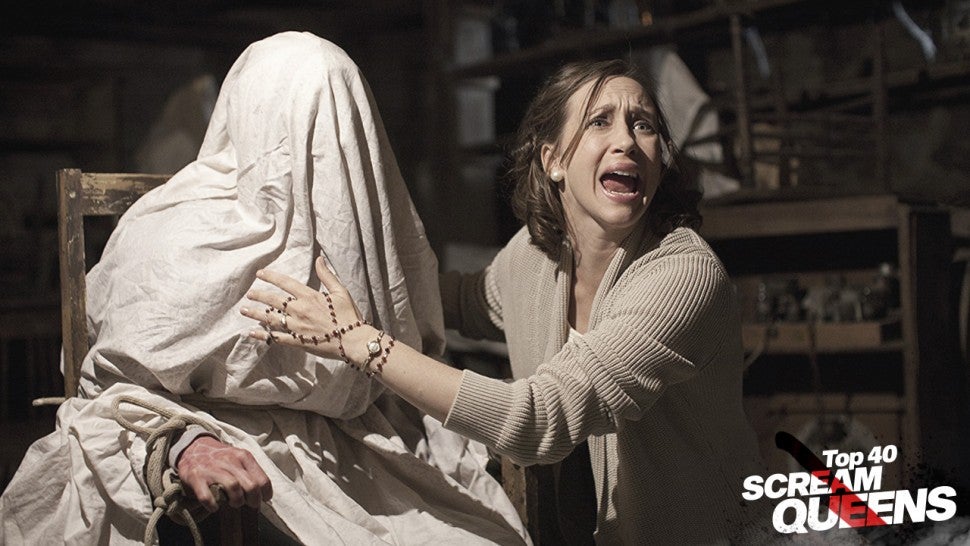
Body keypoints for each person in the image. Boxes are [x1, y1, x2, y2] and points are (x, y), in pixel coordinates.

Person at [0, 32, 528, 545]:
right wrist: (185, 441)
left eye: (338, 129)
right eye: (308, 127)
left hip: (362, 451)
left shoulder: (365, 234)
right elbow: (110, 381)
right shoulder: (169, 234)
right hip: (219, 444)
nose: (326, 153)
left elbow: (412, 340)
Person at [245, 58, 771, 543]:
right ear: (553, 161)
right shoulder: (536, 255)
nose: (627, 142)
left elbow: (539, 418)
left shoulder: (682, 275)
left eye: (644, 125)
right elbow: (462, 301)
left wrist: (357, 341)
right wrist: (340, 272)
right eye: (599, 121)